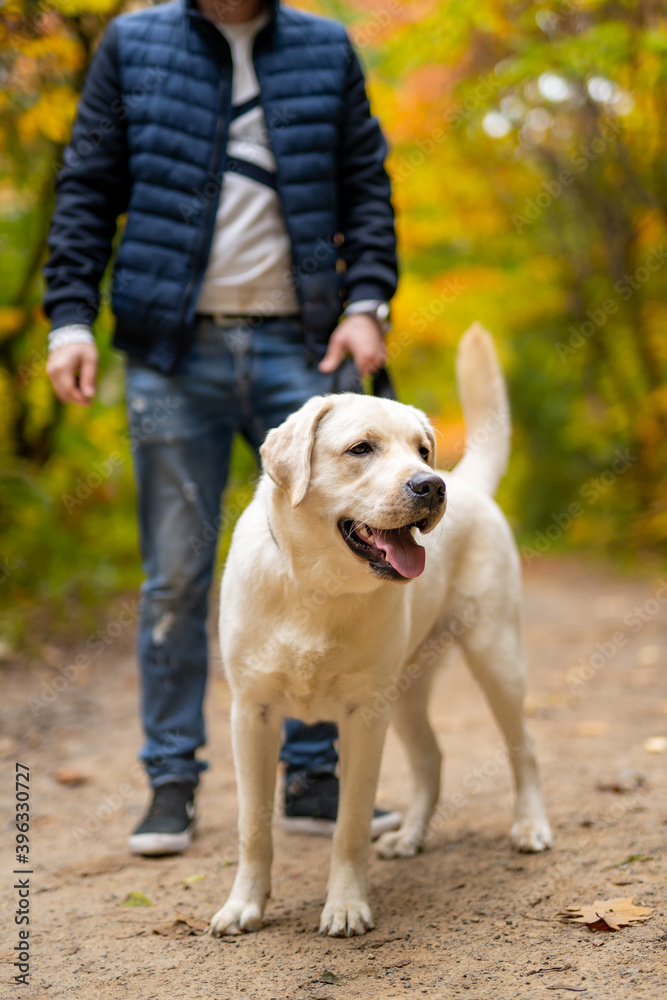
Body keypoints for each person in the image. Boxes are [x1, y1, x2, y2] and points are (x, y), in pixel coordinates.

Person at [44, 0, 400, 855]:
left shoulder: (324, 45)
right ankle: (171, 780)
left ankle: (313, 777)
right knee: (176, 572)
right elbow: (90, 184)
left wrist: (366, 301)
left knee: (327, 559)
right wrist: (67, 317)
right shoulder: (135, 43)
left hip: (305, 349)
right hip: (174, 353)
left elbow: (366, 183)